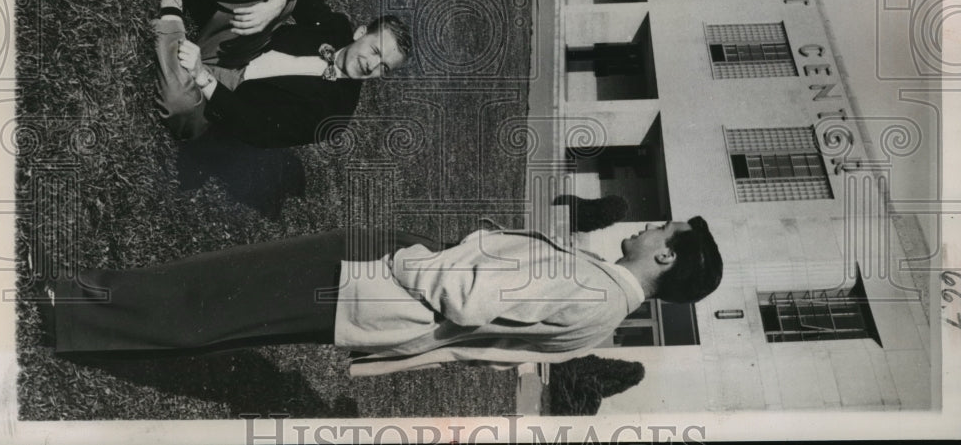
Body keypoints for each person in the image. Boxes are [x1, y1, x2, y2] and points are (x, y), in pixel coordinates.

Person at [38, 219, 722, 374]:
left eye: (661, 229)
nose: (647, 226)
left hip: (378, 285)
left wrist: (408, 260)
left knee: (223, 292)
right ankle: (92, 328)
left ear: (665, 257)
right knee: (233, 317)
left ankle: (72, 310)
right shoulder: (604, 318)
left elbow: (469, 299)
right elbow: (493, 353)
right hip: (382, 318)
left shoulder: (592, 286)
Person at [153, 0, 411, 148]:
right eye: (375, 51)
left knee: (178, 101)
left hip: (220, 99)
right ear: (360, 33)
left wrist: (202, 77)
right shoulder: (336, 29)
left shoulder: (335, 115)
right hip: (233, 47)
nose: (372, 65)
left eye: (384, 67)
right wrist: (274, 5)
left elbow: (259, 130)